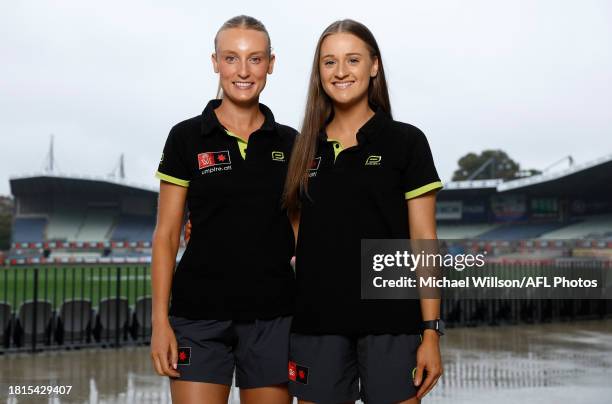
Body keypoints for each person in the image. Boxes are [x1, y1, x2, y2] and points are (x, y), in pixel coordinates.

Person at [283, 19, 444, 404]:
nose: (340, 72)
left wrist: (431, 331)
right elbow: (292, 231)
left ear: (374, 66)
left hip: (393, 326)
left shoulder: (406, 141)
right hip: (316, 326)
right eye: (329, 62)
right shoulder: (303, 148)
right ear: (318, 72)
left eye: (352, 60)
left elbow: (424, 240)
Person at [150, 15, 296, 404]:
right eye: (231, 58)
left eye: (255, 59)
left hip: (273, 319)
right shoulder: (185, 137)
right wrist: (159, 322)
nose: (243, 71)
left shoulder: (292, 142)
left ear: (271, 64)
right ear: (215, 62)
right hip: (198, 316)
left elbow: (302, 229)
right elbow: (165, 235)